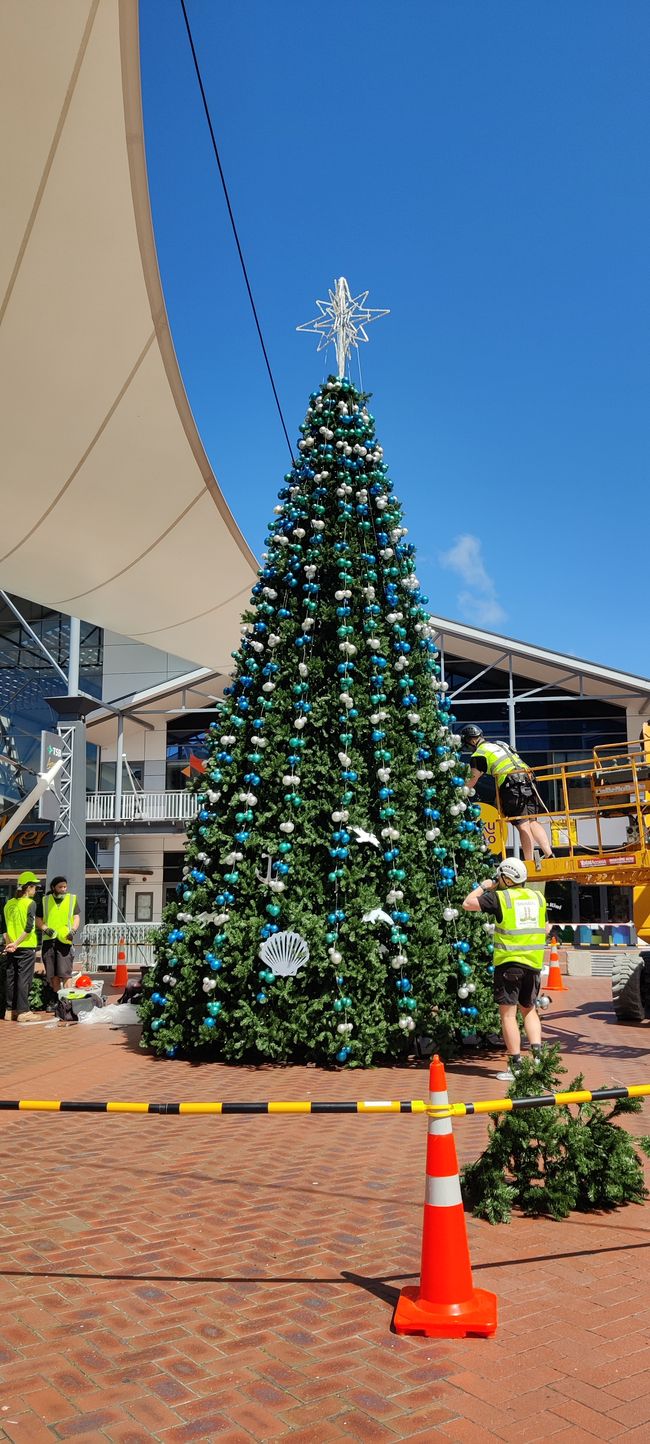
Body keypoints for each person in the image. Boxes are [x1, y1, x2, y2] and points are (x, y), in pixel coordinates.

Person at [462, 856, 548, 1082]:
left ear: (507, 879)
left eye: (499, 876)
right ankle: (539, 1061)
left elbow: (468, 903)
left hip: (509, 964)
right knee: (529, 1010)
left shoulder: (501, 897)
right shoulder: (538, 898)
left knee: (508, 1015)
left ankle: (516, 1066)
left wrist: (484, 886)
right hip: (533, 964)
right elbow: (546, 927)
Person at [460, 724, 553, 866]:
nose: (469, 748)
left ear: (472, 740)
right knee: (532, 821)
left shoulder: (479, 754)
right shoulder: (500, 744)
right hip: (529, 779)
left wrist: (461, 792)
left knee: (522, 824)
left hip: (513, 785)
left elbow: (473, 779)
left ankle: (529, 862)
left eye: (468, 745)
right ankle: (549, 854)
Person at [2, 871, 47, 1024]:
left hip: (11, 947)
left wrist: (9, 944)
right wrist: (16, 943)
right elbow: (28, 928)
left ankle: (10, 1011)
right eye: (35, 887)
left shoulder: (8, 904)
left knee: (11, 978)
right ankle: (23, 1012)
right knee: (24, 979)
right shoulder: (30, 903)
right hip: (25, 946)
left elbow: (4, 928)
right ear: (28, 888)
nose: (36, 890)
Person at [37, 875, 80, 995]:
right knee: (53, 974)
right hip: (49, 941)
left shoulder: (71, 899)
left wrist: (73, 930)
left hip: (65, 940)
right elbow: (38, 919)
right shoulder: (45, 900)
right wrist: (45, 928)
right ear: (53, 887)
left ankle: (67, 999)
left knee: (66, 973)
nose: (63, 889)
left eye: (65, 887)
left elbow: (76, 917)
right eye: (60, 887)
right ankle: (56, 998)